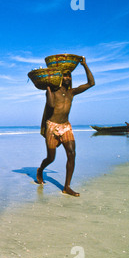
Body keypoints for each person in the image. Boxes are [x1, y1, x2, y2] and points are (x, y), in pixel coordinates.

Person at [36, 57, 95, 197]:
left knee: (72, 153)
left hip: (66, 127)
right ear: (59, 77)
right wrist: (48, 88)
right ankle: (40, 170)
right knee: (51, 158)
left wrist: (85, 65)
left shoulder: (71, 93)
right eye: (65, 75)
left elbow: (91, 83)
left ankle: (67, 186)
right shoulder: (52, 91)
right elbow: (50, 105)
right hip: (52, 127)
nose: (67, 77)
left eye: (69, 75)